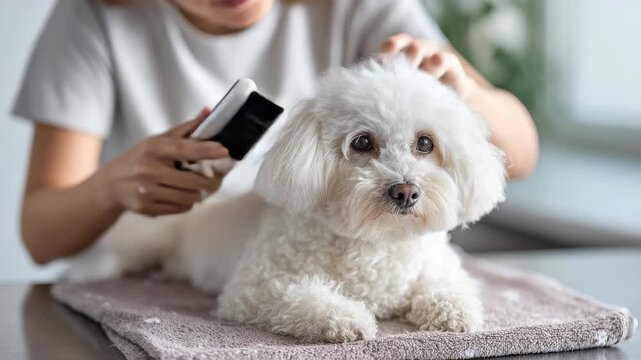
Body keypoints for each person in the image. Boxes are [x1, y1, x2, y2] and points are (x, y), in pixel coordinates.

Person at [13, 0, 539, 265]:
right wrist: (112, 186)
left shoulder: (359, 7)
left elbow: (521, 152)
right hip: (133, 281)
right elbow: (39, 236)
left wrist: (462, 90)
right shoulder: (94, 17)